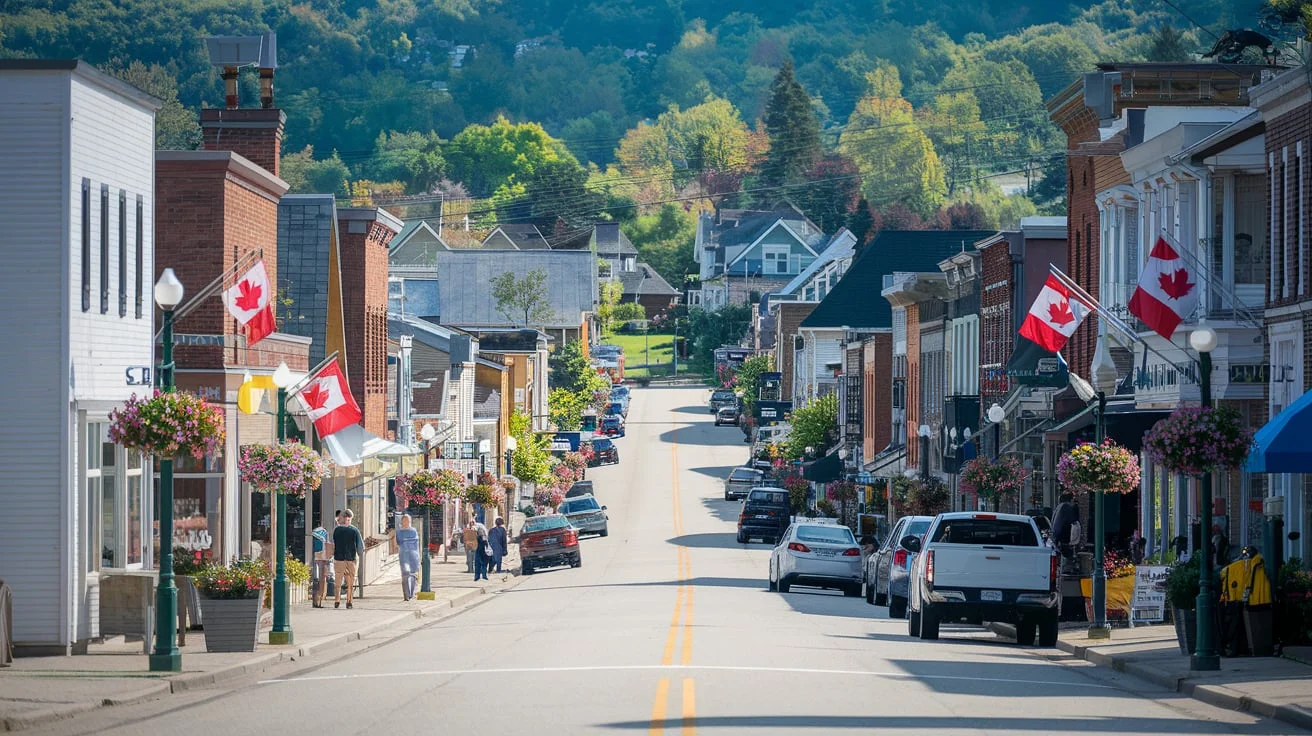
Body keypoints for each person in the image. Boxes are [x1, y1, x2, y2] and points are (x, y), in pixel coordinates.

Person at [332, 509, 365, 609]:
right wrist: (360, 554)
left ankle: (337, 600)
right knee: (350, 581)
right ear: (350, 518)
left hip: (339, 558)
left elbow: (333, 544)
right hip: (351, 558)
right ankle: (349, 601)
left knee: (338, 580)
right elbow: (360, 546)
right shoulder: (354, 530)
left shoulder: (336, 530)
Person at [311, 515, 335, 608]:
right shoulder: (324, 532)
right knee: (322, 579)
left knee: (316, 580)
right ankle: (320, 600)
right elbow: (327, 545)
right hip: (323, 558)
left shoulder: (312, 534)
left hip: (315, 558)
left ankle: (316, 600)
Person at [395, 514, 421, 601]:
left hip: (413, 555)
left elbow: (415, 542)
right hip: (404, 555)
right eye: (404, 520)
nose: (406, 522)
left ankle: (412, 593)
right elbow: (398, 542)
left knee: (413, 574)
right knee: (405, 574)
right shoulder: (398, 532)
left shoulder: (413, 531)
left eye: (407, 520)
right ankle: (406, 595)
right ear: (402, 521)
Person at [1051, 492, 1080, 561]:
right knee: (1067, 554)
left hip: (1057, 534)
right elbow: (1073, 520)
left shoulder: (1059, 507)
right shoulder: (1066, 507)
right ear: (1070, 500)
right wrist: (1076, 508)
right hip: (1063, 535)